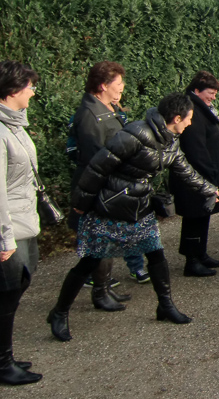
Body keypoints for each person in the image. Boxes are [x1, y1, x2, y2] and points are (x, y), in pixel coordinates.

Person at [48, 93, 219, 342]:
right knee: (91, 260)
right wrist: (80, 205)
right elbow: (98, 166)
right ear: (177, 117)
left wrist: (209, 189)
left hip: (139, 207)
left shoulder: (171, 140)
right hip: (110, 207)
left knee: (156, 253)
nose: (190, 124)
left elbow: (184, 169)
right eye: (189, 119)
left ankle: (165, 306)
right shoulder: (136, 133)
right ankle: (59, 312)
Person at [69, 61, 145, 309]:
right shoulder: (90, 115)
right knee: (100, 241)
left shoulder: (104, 108)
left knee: (109, 240)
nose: (122, 89)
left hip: (109, 186)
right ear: (103, 85)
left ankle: (104, 290)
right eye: (118, 84)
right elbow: (96, 159)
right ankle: (99, 294)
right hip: (100, 188)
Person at [0, 61, 43, 385]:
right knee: (6, 293)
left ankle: (6, 357)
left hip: (23, 223)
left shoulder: (16, 126)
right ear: (13, 89)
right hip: (9, 228)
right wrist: (4, 239)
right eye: (29, 86)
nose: (33, 91)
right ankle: (2, 365)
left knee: (19, 287)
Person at [171, 71, 219, 277]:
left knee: (203, 213)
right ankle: (192, 260)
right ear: (196, 90)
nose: (213, 96)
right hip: (197, 174)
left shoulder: (203, 109)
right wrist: (210, 171)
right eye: (210, 92)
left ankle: (201, 253)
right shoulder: (193, 111)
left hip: (206, 172)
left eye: (215, 93)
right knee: (194, 216)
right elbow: (195, 148)